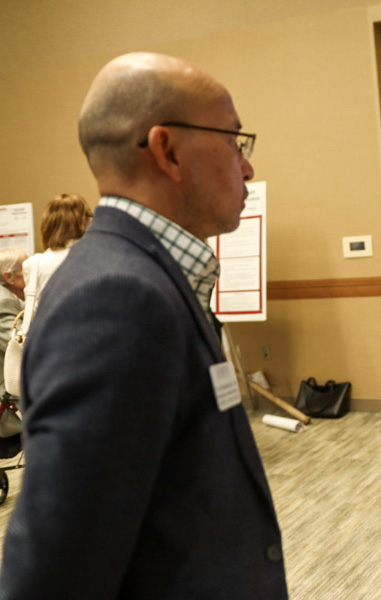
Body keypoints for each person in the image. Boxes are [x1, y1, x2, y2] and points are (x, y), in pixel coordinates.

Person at [0, 53, 289, 598]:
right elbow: (55, 569)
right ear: (167, 150)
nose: (247, 167)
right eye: (234, 141)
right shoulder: (115, 297)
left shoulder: (152, 274)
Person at [21, 193, 93, 333]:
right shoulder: (94, 258)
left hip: (48, 339)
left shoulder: (33, 264)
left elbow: (35, 313)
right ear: (83, 221)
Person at [0, 248, 26, 399]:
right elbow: (18, 343)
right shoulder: (4, 301)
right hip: (7, 392)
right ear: (9, 277)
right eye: (25, 270)